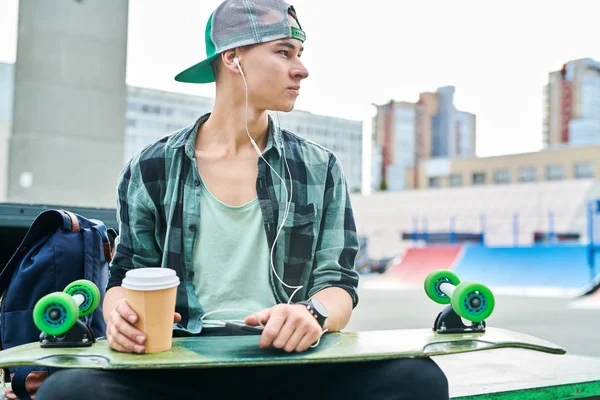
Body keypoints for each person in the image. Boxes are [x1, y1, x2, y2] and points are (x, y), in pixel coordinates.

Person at [36, 1, 449, 398]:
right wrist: (118, 315)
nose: (301, 69)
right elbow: (126, 276)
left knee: (418, 378)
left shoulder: (319, 167)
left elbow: (338, 284)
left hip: (293, 364)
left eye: (300, 54)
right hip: (178, 363)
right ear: (233, 58)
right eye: (284, 52)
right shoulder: (152, 166)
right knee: (69, 390)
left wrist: (312, 315)